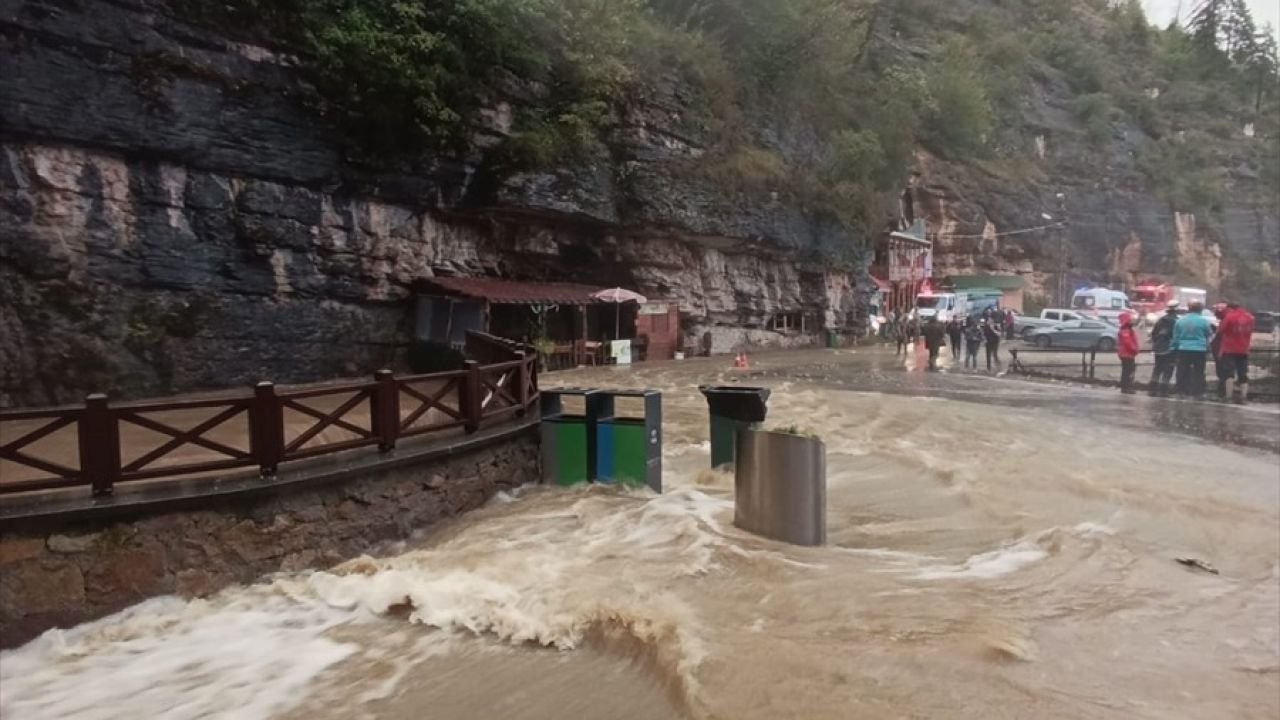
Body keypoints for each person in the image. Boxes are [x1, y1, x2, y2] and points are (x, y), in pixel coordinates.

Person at [1172, 300, 1213, 398]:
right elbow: (1209, 334)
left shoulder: (1180, 321)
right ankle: (1198, 392)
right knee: (1199, 371)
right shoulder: (1204, 321)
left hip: (1183, 349)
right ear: (1200, 310)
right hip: (1199, 349)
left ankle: (1181, 391)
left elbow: (1175, 337)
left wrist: (1175, 347)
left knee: (1182, 370)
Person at [1218, 301, 1256, 403]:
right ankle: (1243, 397)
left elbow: (1221, 330)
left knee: (1229, 374)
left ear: (1230, 308)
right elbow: (1251, 330)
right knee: (1243, 374)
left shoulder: (1229, 317)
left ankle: (1228, 397)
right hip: (1244, 349)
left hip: (1229, 349)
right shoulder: (1250, 317)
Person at [1148, 300, 1179, 396]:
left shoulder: (1160, 320)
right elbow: (1176, 336)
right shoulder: (1176, 321)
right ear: (1176, 310)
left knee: (1157, 368)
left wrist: (1156, 344)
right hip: (1170, 349)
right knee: (1168, 369)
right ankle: (1164, 390)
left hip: (1158, 348)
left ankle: (1152, 389)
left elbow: (1154, 334)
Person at [1117, 312, 1140, 394]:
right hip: (1127, 354)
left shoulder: (1126, 329)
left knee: (1126, 370)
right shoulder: (1126, 330)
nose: (1131, 321)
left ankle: (1125, 386)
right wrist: (1135, 349)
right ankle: (1127, 387)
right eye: (1129, 319)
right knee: (1128, 371)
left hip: (1126, 354)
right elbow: (1128, 343)